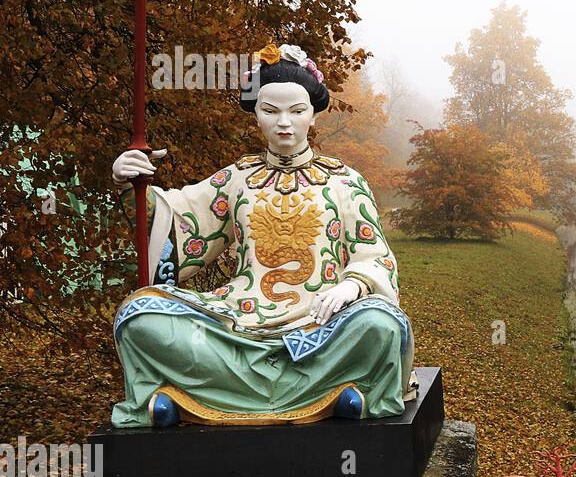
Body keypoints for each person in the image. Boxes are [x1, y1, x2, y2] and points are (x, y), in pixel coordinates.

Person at [109, 42, 413, 427]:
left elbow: (376, 256)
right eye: (270, 111)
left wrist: (351, 286)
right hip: (239, 321)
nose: (284, 122)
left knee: (379, 324)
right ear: (255, 116)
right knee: (139, 317)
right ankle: (328, 391)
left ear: (313, 117)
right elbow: (179, 220)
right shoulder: (238, 179)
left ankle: (201, 394)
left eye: (297, 111)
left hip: (322, 326)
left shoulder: (345, 182)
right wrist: (130, 185)